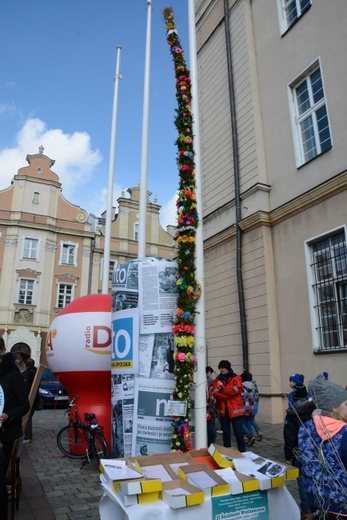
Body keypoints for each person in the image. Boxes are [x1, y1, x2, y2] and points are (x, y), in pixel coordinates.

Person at [297, 375, 347, 518]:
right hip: (342, 505)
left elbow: (302, 464)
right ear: (334, 409)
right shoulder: (344, 433)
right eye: (346, 405)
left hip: (317, 500)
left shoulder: (305, 427)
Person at [0, 339, 30, 520]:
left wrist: (7, 416)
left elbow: (23, 405)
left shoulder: (13, 375)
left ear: (2, 350)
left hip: (7, 434)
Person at [284, 383, 316, 520]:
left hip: (299, 453)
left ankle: (306, 512)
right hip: (315, 452)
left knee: (302, 481)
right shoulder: (315, 410)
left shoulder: (292, 414)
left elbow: (289, 437)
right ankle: (316, 507)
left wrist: (289, 456)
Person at [212, 360, 246, 452]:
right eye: (220, 368)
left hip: (235, 411)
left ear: (227, 368)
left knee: (238, 433)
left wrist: (222, 389)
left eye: (222, 367)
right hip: (224, 411)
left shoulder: (237, 378)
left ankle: (243, 452)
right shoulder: (217, 380)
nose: (221, 369)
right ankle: (228, 453)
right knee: (226, 434)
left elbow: (236, 391)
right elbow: (216, 394)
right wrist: (229, 394)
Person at [14, 355, 35, 442]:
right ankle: (26, 435)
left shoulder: (27, 374)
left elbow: (25, 388)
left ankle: (27, 436)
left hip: (26, 400)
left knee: (27, 417)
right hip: (26, 399)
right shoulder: (30, 372)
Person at [241, 371, 262, 446]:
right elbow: (257, 396)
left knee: (241, 423)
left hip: (244, 407)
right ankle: (253, 437)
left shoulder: (242, 386)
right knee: (249, 422)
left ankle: (250, 436)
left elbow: (242, 397)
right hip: (253, 407)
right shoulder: (254, 386)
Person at [206, 366, 217, 446]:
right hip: (207, 410)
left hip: (208, 409)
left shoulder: (210, 381)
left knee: (212, 433)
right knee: (212, 433)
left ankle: (210, 449)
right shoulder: (208, 382)